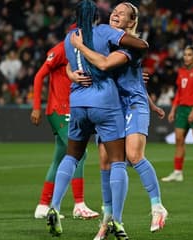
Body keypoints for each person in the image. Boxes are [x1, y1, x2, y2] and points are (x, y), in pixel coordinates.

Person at [45, 0, 149, 238]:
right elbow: (135, 45)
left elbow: (68, 69)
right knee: (118, 161)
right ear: (96, 16)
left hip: (78, 103)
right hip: (105, 103)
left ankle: (55, 206)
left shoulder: (70, 37)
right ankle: (117, 221)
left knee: (71, 156)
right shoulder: (104, 31)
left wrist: (72, 74)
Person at [69, 2, 168, 238]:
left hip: (132, 104)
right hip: (111, 107)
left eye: (122, 14)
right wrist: (72, 73)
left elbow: (103, 65)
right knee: (106, 162)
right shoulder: (107, 42)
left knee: (133, 156)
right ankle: (108, 220)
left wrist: (80, 46)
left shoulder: (129, 47)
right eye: (114, 11)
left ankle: (157, 205)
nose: (115, 14)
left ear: (131, 22)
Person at [30, 39, 99, 220]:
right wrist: (36, 106)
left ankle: (43, 205)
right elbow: (39, 76)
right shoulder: (61, 49)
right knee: (79, 153)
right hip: (59, 110)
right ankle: (79, 204)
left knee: (60, 157)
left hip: (72, 109)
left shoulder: (84, 49)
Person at [161, 45, 193, 183]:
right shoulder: (182, 71)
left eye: (189, 55)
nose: (186, 57)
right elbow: (179, 92)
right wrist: (173, 109)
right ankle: (178, 173)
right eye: (185, 54)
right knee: (179, 140)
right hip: (182, 110)